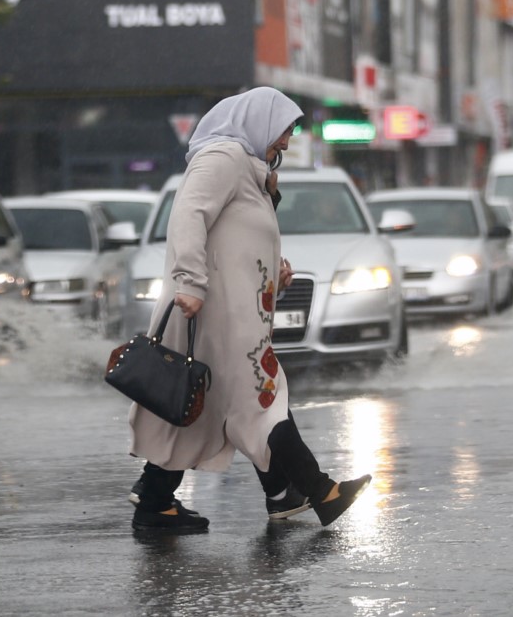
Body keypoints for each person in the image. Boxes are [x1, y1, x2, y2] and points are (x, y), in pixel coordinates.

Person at [127, 87, 371, 533]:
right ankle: (320, 492)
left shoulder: (249, 168)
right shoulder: (223, 157)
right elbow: (188, 215)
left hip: (237, 310)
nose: (285, 142)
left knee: (205, 403)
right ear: (258, 120)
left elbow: (238, 234)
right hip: (215, 311)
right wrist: (188, 281)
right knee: (260, 397)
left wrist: (273, 269)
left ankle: (156, 499)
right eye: (283, 130)